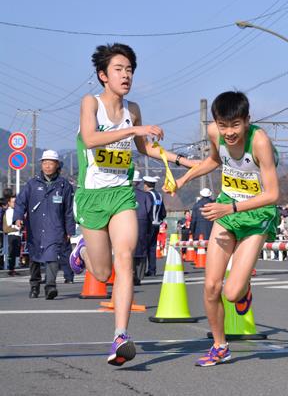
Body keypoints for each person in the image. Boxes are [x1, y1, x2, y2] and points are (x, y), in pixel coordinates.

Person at [68, 43, 196, 366]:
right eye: (119, 70)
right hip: (92, 196)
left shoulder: (133, 109)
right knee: (102, 270)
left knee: (124, 258)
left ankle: (121, 335)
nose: (126, 76)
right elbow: (91, 138)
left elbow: (145, 148)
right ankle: (82, 251)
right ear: (103, 75)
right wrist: (136, 128)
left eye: (129, 70)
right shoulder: (90, 103)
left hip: (123, 193)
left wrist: (181, 160)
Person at [168, 91, 279, 366]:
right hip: (227, 208)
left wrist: (229, 209)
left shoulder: (260, 141)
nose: (229, 133)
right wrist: (183, 180)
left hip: (256, 214)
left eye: (235, 125)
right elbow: (214, 161)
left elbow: (273, 194)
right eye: (223, 125)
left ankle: (244, 288)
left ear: (247, 121)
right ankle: (220, 345)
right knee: (210, 286)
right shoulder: (214, 133)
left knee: (232, 292)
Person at [14, 150, 75, 299]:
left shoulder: (63, 185)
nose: (47, 166)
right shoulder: (32, 184)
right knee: (35, 257)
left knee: (52, 256)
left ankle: (50, 286)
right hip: (35, 227)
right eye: (45, 163)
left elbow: (68, 209)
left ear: (57, 165)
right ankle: (34, 286)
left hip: (55, 228)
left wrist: (69, 229)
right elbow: (20, 202)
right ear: (41, 165)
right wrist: (18, 217)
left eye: (51, 163)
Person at [142, 175, 166, 276]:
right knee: (152, 247)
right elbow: (163, 212)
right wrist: (159, 220)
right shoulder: (159, 196)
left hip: (148, 224)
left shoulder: (147, 195)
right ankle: (152, 270)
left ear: (146, 185)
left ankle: (141, 270)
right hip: (156, 224)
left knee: (143, 247)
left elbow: (145, 210)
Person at [132, 170, 152, 285]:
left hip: (126, 222)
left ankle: (129, 273)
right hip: (142, 223)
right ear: (138, 183)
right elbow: (149, 210)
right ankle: (138, 276)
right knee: (141, 249)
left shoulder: (122, 193)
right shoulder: (145, 195)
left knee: (127, 249)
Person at [2, 195, 22, 276]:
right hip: (12, 234)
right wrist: (18, 227)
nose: (15, 203)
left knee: (15, 253)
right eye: (13, 202)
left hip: (17, 234)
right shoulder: (9, 211)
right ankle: (11, 269)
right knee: (12, 252)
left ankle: (13, 268)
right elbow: (10, 224)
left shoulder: (16, 211)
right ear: (9, 203)